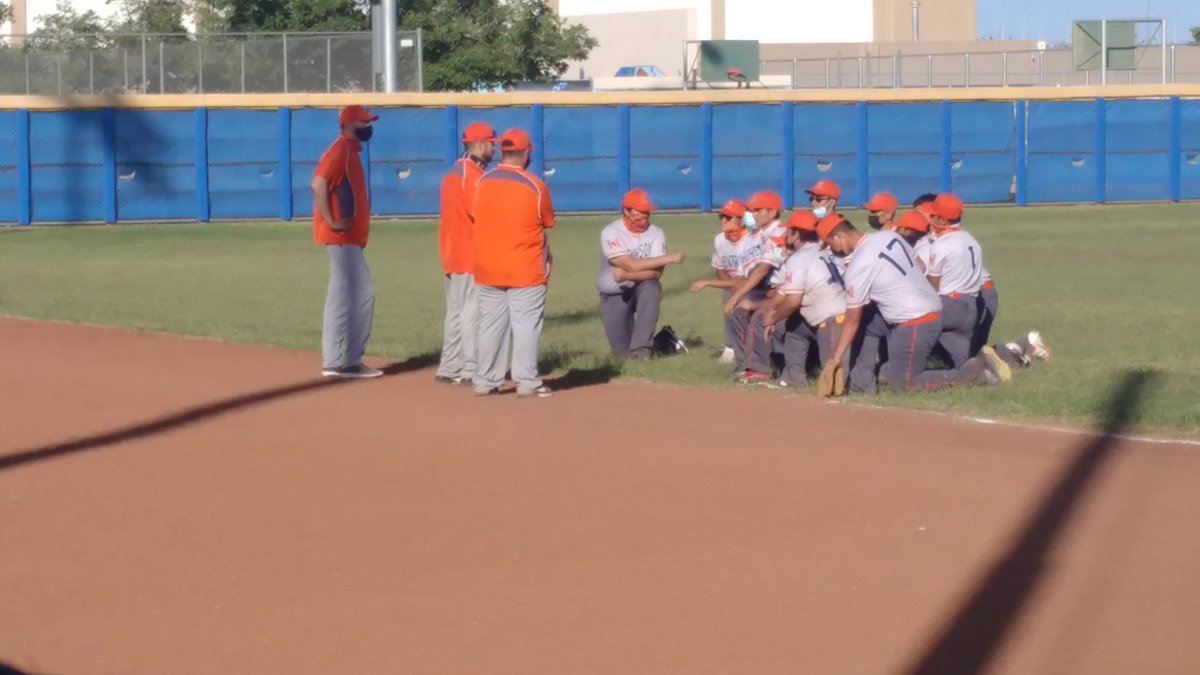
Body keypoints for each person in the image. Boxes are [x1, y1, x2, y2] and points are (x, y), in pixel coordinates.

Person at [820, 214, 1004, 393]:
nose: (833, 250)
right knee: (868, 321)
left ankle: (974, 373)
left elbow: (852, 320)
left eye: (830, 244)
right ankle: (861, 384)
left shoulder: (857, 265)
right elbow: (920, 266)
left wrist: (836, 358)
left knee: (905, 385)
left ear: (838, 237)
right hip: (934, 306)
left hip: (915, 321)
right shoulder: (888, 236)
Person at [472, 128, 556, 399]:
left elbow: (475, 214)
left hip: (487, 266)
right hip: (525, 268)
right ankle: (527, 381)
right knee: (525, 326)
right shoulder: (535, 185)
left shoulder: (482, 181)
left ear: (503, 150)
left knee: (490, 325)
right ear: (526, 152)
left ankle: (485, 380)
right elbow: (548, 221)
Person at [311, 105, 382, 379]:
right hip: (341, 236)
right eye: (364, 122)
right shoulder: (340, 150)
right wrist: (330, 220)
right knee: (363, 293)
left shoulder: (350, 151)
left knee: (340, 297)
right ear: (350, 123)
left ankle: (334, 360)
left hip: (346, 237)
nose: (368, 127)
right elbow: (318, 183)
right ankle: (349, 361)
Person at [435, 121, 497, 386]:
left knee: (456, 312)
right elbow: (479, 212)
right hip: (469, 252)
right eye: (491, 144)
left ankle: (449, 367)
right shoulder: (472, 175)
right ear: (480, 145)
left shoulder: (452, 171)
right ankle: (471, 368)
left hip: (451, 251)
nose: (494, 148)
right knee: (472, 312)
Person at [759, 210, 847, 387]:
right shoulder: (825, 251)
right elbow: (786, 294)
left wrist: (772, 318)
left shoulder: (799, 258)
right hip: (839, 313)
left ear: (796, 235)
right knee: (794, 327)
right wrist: (775, 314)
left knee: (836, 380)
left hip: (833, 320)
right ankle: (794, 379)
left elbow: (793, 302)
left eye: (789, 231)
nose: (787, 235)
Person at [596, 189, 685, 358]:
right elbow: (629, 264)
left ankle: (642, 350)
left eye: (647, 212)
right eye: (639, 212)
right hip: (614, 293)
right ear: (626, 211)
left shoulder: (656, 233)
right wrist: (668, 258)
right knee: (622, 355)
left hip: (642, 287)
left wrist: (628, 276)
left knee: (652, 288)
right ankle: (665, 341)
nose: (644, 216)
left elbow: (656, 274)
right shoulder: (611, 232)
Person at [691, 199, 768, 379]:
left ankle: (742, 356)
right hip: (737, 286)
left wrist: (707, 283)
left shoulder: (751, 239)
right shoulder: (720, 240)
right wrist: (733, 288)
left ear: (742, 220)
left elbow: (745, 279)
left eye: (728, 217)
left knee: (732, 299)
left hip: (758, 288)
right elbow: (720, 269)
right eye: (722, 217)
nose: (723, 221)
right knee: (730, 296)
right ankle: (735, 352)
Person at [921, 194, 984, 370]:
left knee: (908, 331)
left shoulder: (941, 244)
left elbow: (933, 286)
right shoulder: (972, 241)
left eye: (934, 215)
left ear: (943, 220)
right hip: (970, 305)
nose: (930, 218)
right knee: (963, 364)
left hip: (949, 305)